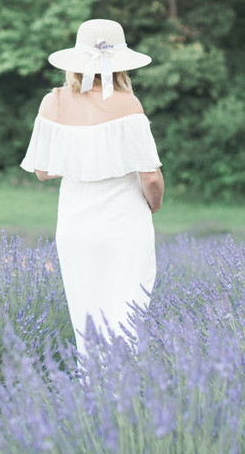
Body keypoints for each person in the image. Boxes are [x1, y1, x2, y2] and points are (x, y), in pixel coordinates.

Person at [21, 18, 164, 360]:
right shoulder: (128, 105)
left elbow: (42, 171)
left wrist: (84, 162)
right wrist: (154, 205)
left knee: (87, 320)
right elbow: (151, 178)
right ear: (120, 64)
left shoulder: (52, 102)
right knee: (128, 315)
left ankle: (92, 388)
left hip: (75, 225)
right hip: (124, 223)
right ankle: (126, 387)